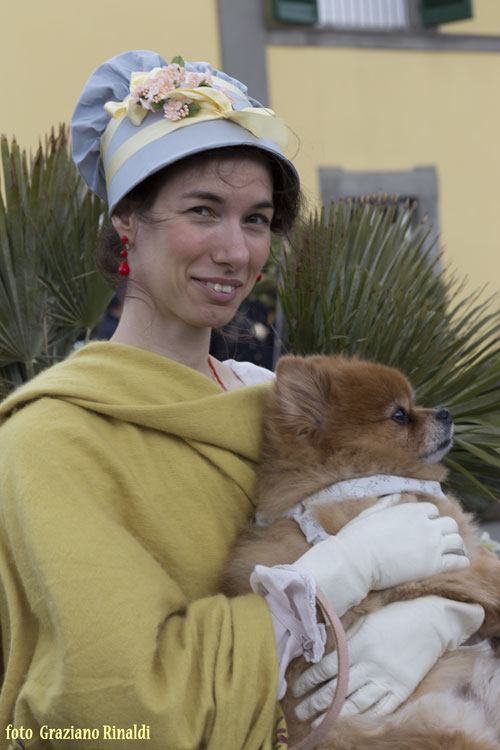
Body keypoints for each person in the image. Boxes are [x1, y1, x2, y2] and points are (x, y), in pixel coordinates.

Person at [0, 50, 483, 750]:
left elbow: (460, 560)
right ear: (129, 219)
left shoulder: (272, 406)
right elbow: (117, 707)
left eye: (256, 220)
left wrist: (442, 618)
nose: (236, 250)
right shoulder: (53, 442)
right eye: (204, 211)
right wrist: (331, 577)